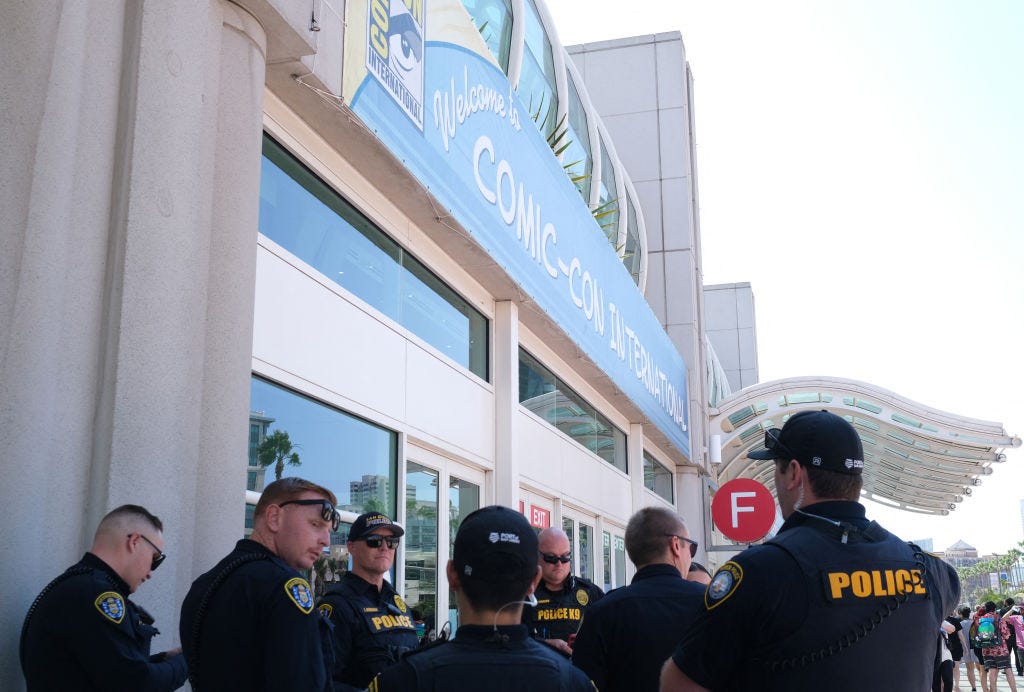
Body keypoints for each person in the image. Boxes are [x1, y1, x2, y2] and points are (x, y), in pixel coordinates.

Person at [661, 409, 961, 691]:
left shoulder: (758, 572)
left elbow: (678, 684)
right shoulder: (930, 571)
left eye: (777, 471)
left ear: (793, 473)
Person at [367, 505, 594, 691]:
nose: (559, 564)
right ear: (534, 581)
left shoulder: (403, 680)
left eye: (564, 558)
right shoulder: (574, 683)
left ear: (451, 575)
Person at [180, 477, 338, 691]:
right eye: (315, 524)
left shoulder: (205, 583)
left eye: (328, 531)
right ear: (274, 518)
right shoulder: (285, 586)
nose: (326, 541)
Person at [20, 504, 188, 690]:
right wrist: (187, 660)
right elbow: (137, 684)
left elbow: (111, 668)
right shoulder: (97, 595)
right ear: (134, 541)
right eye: (155, 558)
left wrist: (166, 660)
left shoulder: (81, 586)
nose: (150, 572)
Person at [572, 506, 706, 691]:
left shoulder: (602, 612)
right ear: (675, 545)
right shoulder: (710, 604)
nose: (690, 557)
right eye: (691, 548)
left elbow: (582, 682)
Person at [318, 511, 419, 690]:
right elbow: (321, 681)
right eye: (374, 540)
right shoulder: (337, 605)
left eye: (391, 542)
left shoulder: (397, 602)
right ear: (352, 547)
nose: (385, 548)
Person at [521, 526, 604, 655]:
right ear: (536, 556)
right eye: (551, 558)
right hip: (538, 668)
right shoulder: (522, 593)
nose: (559, 564)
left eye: (565, 557)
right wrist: (545, 644)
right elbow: (509, 638)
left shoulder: (589, 592)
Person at [973, 601, 1018, 692]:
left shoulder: (980, 620)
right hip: (1000, 650)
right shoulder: (998, 618)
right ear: (994, 609)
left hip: (986, 650)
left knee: (992, 671)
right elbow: (1006, 634)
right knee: (1008, 670)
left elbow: (977, 635)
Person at [960, 606, 984, 692]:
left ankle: (974, 687)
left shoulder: (960, 624)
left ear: (961, 614)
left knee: (970, 669)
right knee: (980, 668)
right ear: (969, 613)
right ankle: (984, 686)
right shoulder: (975, 622)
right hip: (976, 648)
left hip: (965, 649)